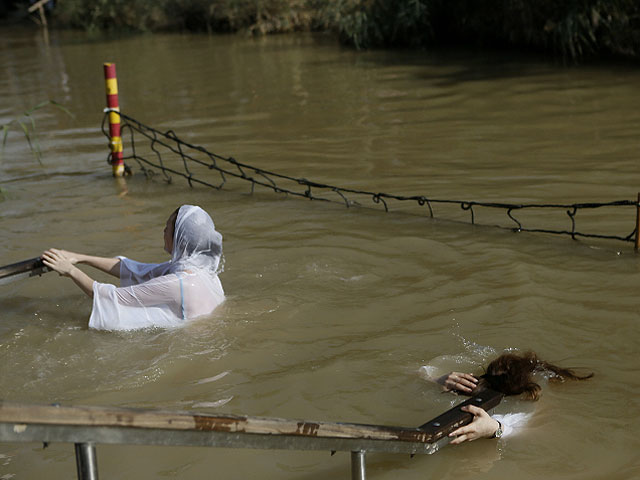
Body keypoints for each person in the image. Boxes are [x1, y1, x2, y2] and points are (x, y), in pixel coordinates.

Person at [41, 205, 225, 331]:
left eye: (167, 227)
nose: (163, 231)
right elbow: (135, 270)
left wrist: (70, 271)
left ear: (179, 237)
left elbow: (109, 297)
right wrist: (79, 258)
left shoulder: (178, 284)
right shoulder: (205, 273)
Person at [425, 351, 593, 444]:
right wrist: (436, 380)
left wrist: (495, 430)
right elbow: (415, 371)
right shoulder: (482, 383)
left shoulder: (532, 399)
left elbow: (532, 431)